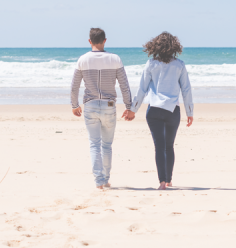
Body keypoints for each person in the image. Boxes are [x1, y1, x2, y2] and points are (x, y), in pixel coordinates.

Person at [70, 28, 135, 189]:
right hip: (109, 105)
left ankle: (99, 181)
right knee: (106, 145)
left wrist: (74, 105)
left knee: (94, 144)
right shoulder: (115, 59)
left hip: (90, 105)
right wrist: (129, 106)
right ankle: (105, 179)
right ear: (105, 40)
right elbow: (124, 86)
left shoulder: (82, 60)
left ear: (89, 41)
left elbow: (74, 87)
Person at [130, 32, 194, 190]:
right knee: (169, 146)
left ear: (156, 46)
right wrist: (190, 112)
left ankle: (162, 183)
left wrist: (133, 109)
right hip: (173, 111)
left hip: (154, 110)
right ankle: (169, 179)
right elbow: (186, 90)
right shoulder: (179, 65)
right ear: (174, 46)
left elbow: (142, 89)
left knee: (159, 146)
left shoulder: (151, 64)